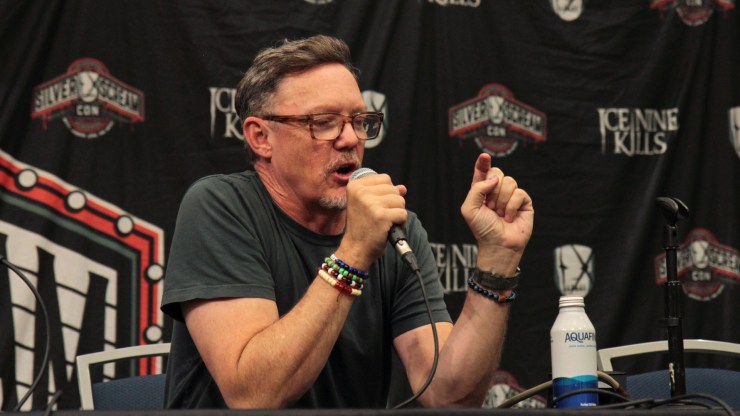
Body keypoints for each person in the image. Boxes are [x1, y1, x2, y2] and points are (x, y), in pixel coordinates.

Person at [161, 34, 534, 409]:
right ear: (261, 137)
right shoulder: (221, 207)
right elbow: (253, 396)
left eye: (359, 121)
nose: (350, 139)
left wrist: (496, 264)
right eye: (324, 122)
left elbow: (449, 397)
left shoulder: (395, 230)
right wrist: (354, 252)